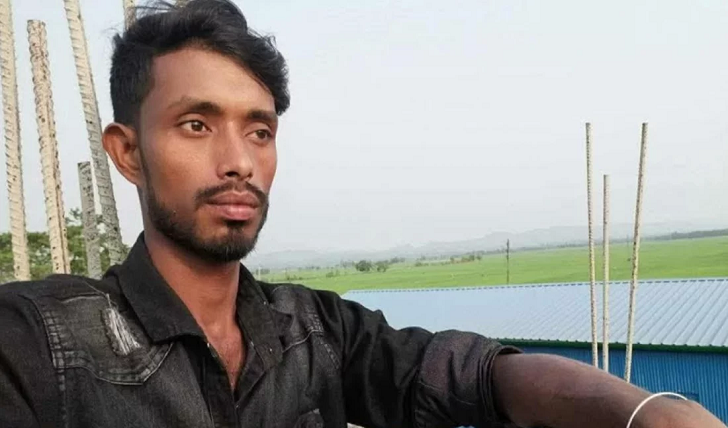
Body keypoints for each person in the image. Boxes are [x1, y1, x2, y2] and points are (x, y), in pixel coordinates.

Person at [0, 1, 724, 427]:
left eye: (260, 130)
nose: (239, 160)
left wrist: (647, 412)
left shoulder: (313, 332)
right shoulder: (36, 346)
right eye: (197, 124)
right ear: (128, 152)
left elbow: (469, 374)